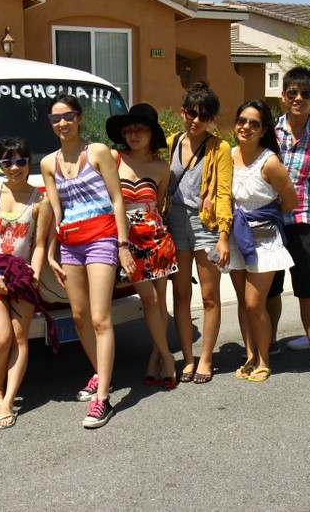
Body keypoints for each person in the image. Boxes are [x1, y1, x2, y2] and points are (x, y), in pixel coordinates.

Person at [41, 93, 135, 429]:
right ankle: (100, 371)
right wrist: (50, 252)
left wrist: (123, 244)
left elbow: (117, 199)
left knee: (99, 318)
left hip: (101, 239)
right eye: (55, 118)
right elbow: (56, 212)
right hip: (71, 245)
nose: (62, 123)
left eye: (68, 116)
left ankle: (103, 398)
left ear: (79, 118)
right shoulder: (48, 164)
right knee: (79, 317)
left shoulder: (96, 152)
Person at [266, 67, 310, 379]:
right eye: (293, 93)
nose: (298, 98)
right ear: (283, 96)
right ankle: (269, 342)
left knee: (308, 288)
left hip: (302, 221)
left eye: (305, 93)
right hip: (270, 220)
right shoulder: (269, 130)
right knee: (270, 287)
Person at [0, 137, 51, 429]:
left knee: (20, 338)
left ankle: (8, 400)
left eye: (20, 161)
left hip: (22, 276)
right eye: (7, 162)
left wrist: (35, 274)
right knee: (2, 336)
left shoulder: (40, 201)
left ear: (29, 162)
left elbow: (40, 244)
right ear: (0, 164)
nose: (14, 167)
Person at [105, 104, 178, 388]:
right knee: (149, 300)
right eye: (128, 130)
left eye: (140, 130)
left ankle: (154, 359)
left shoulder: (161, 166)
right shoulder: (114, 158)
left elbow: (157, 204)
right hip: (127, 241)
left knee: (160, 302)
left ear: (151, 134)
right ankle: (167, 357)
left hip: (157, 238)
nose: (133, 135)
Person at [164, 82, 233, 384]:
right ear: (183, 112)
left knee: (209, 296)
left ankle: (206, 358)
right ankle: (188, 358)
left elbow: (224, 193)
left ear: (211, 119)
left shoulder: (220, 148)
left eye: (204, 116)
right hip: (175, 222)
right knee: (180, 295)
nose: (196, 120)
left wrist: (223, 235)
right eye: (192, 113)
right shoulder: (171, 142)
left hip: (207, 223)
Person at [228, 100, 298, 382]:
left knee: (255, 303)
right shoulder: (227, 156)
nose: (246, 127)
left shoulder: (270, 162)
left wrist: (260, 217)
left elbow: (290, 201)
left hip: (264, 240)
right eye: (242, 120)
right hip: (235, 238)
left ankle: (264, 359)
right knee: (242, 302)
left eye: (254, 123)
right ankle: (249, 355)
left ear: (263, 129)